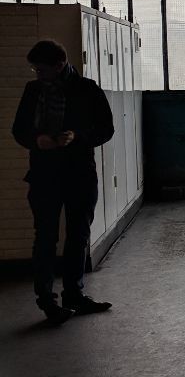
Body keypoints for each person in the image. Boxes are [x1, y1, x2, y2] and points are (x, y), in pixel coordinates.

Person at [11, 39, 115, 325]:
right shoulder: (33, 91)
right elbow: (19, 130)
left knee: (77, 235)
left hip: (79, 172)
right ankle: (47, 300)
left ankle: (73, 295)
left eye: (41, 69)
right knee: (45, 237)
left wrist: (76, 137)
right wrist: (37, 140)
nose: (37, 75)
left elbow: (106, 129)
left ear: (59, 65)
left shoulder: (87, 89)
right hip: (45, 174)